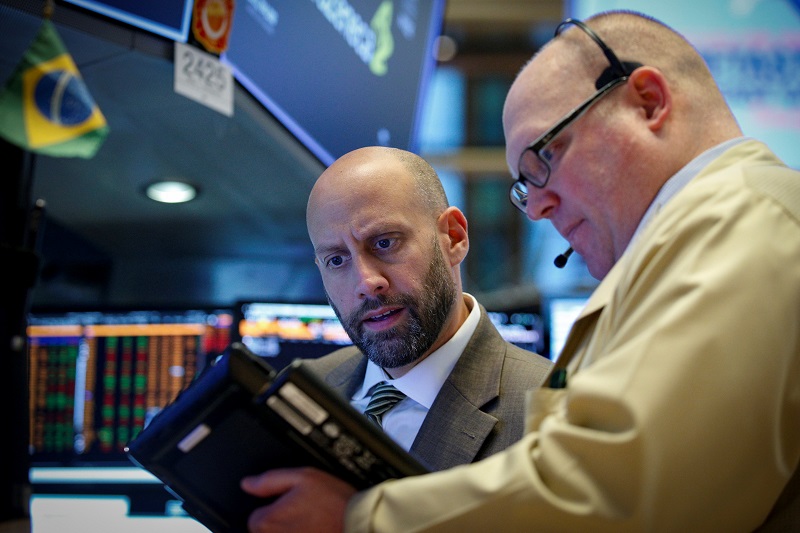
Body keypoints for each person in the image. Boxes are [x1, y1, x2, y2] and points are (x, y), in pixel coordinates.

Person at [240, 11, 800, 532]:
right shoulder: (709, 234)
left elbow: (622, 492)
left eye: (544, 160)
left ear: (648, 102)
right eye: (523, 184)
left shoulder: (745, 219)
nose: (536, 206)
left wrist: (362, 519)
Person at [301, 145, 552, 471]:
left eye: (384, 243)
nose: (366, 282)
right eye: (337, 260)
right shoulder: (305, 388)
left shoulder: (554, 416)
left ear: (453, 236)